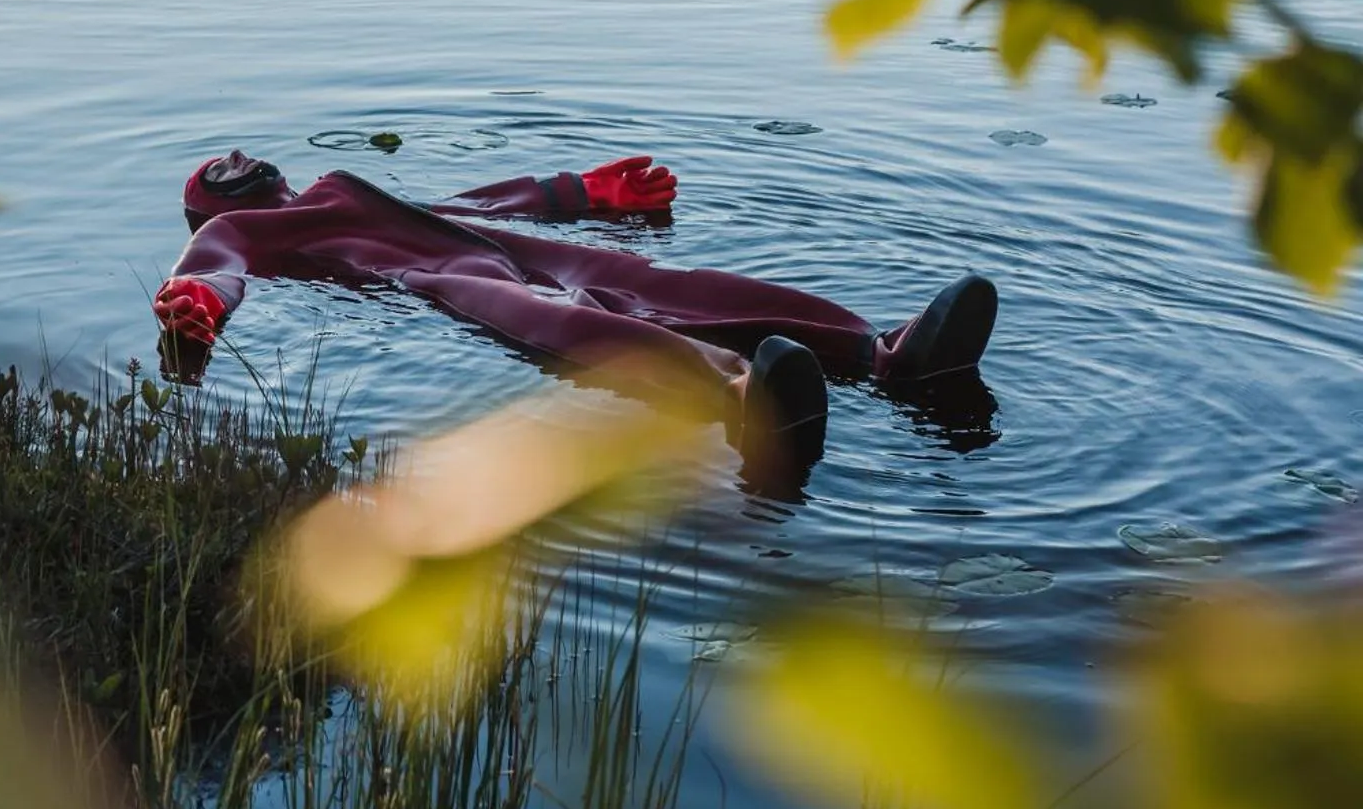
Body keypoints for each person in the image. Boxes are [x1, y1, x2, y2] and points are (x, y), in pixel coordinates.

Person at [153, 150, 998, 473]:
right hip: (445, 279)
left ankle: (886, 355)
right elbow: (217, 262)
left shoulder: (337, 185)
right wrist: (198, 297)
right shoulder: (243, 227)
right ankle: (742, 388)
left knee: (683, 285)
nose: (232, 154)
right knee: (566, 320)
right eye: (214, 165)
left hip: (499, 243)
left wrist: (582, 191)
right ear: (206, 201)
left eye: (235, 149)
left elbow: (473, 199)